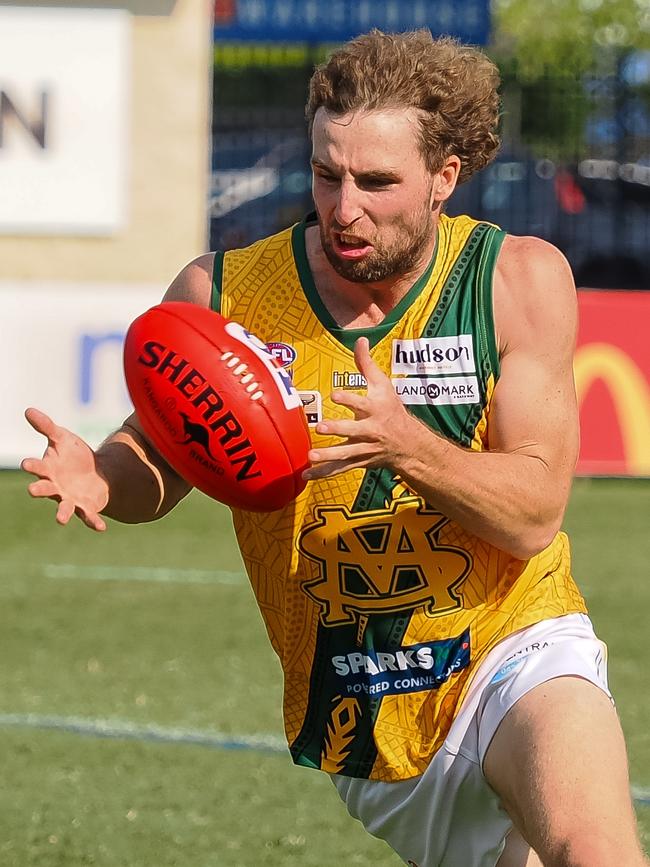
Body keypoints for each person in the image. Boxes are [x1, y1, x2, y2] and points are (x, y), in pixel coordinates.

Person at [22, 29, 646, 867]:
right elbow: (161, 460)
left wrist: (406, 446)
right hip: (363, 704)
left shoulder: (514, 281)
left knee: (595, 846)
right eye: (327, 174)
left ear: (444, 178)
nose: (343, 207)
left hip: (514, 639)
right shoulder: (224, 295)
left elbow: (535, 513)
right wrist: (102, 477)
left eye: (377, 181)